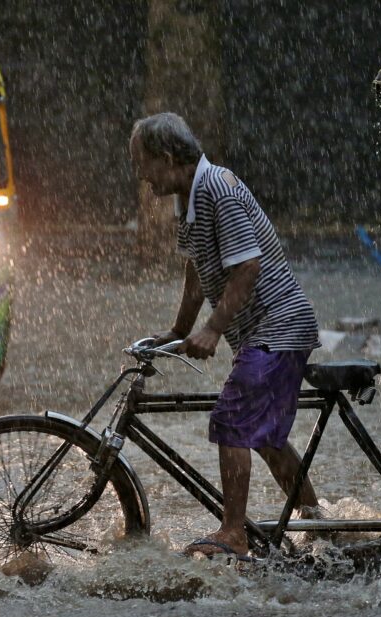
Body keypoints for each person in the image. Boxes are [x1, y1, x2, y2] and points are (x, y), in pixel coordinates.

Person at [129, 112, 322, 559]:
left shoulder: (217, 190)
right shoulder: (191, 196)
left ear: (169, 157)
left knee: (232, 422)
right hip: (263, 330)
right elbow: (197, 267)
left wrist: (212, 330)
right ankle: (319, 524)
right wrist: (180, 329)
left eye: (143, 163)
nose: (141, 175)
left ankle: (233, 531)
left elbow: (248, 267)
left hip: (279, 326)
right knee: (266, 439)